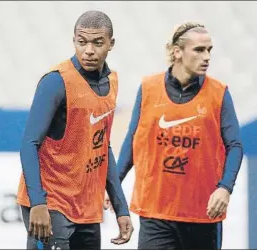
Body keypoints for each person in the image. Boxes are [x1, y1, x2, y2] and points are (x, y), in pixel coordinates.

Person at [104, 21, 243, 249]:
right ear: (177, 52)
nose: (207, 56)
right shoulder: (149, 88)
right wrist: (115, 184)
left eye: (209, 50)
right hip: (157, 213)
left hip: (202, 214)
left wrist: (225, 188)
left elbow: (235, 145)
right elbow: (133, 139)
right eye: (199, 50)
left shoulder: (219, 94)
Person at [17, 10, 133, 250]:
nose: (88, 50)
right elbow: (29, 143)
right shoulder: (56, 82)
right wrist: (38, 203)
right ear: (74, 41)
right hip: (51, 203)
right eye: (82, 42)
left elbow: (102, 147)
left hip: (86, 207)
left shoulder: (112, 82)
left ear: (111, 44)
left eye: (97, 43)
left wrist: (121, 207)